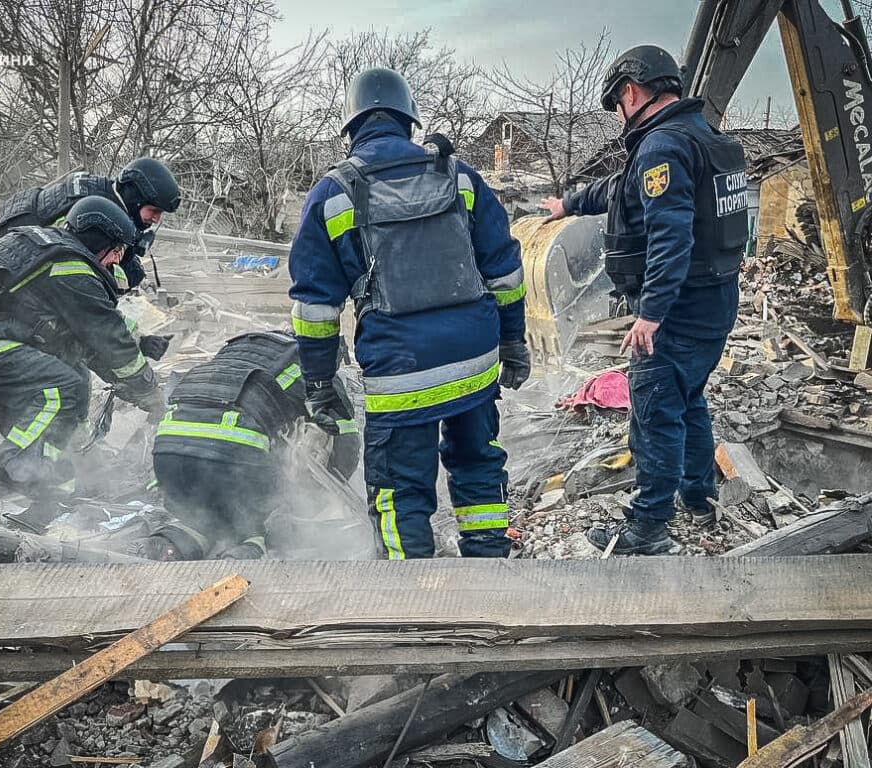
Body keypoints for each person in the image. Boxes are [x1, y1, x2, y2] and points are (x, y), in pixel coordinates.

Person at [289, 67, 531, 561]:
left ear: (351, 126)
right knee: (478, 464)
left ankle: (412, 605)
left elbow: (315, 309)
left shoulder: (332, 193)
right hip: (474, 362)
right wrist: (513, 341)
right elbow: (504, 272)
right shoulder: (458, 174)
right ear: (409, 120)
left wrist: (318, 383)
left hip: (400, 374)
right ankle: (491, 581)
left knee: (400, 489)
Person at [540, 45, 748, 555]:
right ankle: (699, 499)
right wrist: (568, 203)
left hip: (676, 313)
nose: (617, 113)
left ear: (631, 92)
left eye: (617, 102)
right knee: (688, 400)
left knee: (654, 416)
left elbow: (670, 235)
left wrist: (651, 314)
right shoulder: (708, 141)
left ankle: (647, 530)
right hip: (714, 304)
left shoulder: (661, 148)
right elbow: (622, 189)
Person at [0, 196, 167, 498]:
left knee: (75, 377)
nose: (117, 260)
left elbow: (87, 340)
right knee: (60, 387)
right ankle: (16, 473)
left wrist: (136, 358)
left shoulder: (59, 253)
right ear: (99, 240)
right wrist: (149, 392)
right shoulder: (70, 269)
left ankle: (76, 472)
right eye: (117, 250)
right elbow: (107, 338)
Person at [147, 330, 361, 560]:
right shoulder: (316, 368)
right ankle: (254, 546)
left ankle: (179, 540)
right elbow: (345, 441)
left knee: (205, 512)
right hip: (236, 458)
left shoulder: (236, 353)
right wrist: (320, 493)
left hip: (167, 455)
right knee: (265, 507)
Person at [0, 157, 181, 291]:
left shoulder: (101, 192)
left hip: (14, 248)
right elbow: (84, 269)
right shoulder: (95, 211)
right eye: (154, 210)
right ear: (135, 197)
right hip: (13, 272)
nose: (156, 219)